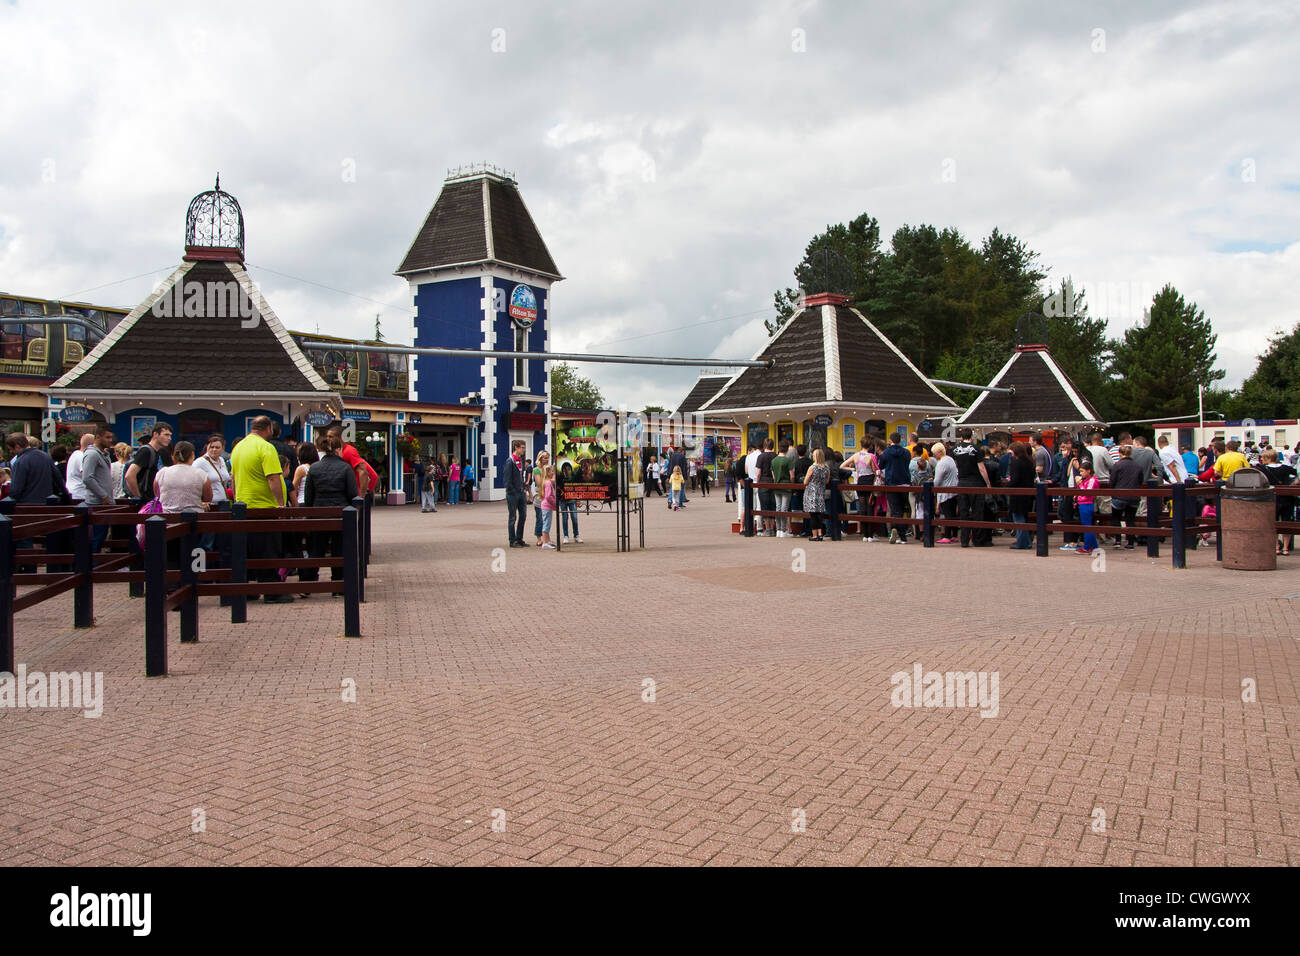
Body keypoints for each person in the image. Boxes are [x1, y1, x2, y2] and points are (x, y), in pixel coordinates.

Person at [231, 416, 293, 603]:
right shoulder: (266, 447)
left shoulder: (238, 447)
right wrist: (281, 505)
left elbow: (233, 478)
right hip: (264, 506)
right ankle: (271, 591)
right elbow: (273, 478)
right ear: (268, 428)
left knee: (248, 550)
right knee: (268, 551)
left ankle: (248, 589)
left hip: (244, 506)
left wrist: (237, 500)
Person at [304, 432, 359, 591]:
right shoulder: (345, 468)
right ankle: (338, 584)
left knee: (316, 550)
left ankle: (308, 583)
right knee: (338, 550)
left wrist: (310, 514)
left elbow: (309, 496)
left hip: (319, 514)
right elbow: (352, 493)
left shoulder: (314, 468)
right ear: (338, 450)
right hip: (340, 515)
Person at [951, 429, 991, 548]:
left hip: (962, 483)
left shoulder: (954, 450)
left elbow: (956, 466)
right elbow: (981, 468)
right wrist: (988, 483)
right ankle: (977, 540)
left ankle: (964, 540)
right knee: (977, 512)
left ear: (961, 437)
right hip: (976, 483)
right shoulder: (976, 449)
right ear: (971, 436)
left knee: (963, 512)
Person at [81, 426, 115, 553]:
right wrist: (103, 495)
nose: (110, 440)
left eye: (111, 437)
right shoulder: (92, 454)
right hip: (97, 502)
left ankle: (95, 563)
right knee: (96, 537)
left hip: (103, 502)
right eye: (107, 437)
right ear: (98, 437)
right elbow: (87, 478)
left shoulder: (104, 454)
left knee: (101, 536)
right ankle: (93, 565)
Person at [1259, 448, 1297, 555]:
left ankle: (1276, 547)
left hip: (1271, 499)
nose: (1262, 459)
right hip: (1287, 498)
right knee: (1287, 523)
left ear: (1268, 458)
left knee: (1272, 523)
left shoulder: (1262, 469)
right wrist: (1292, 485)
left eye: (1263, 457)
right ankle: (1285, 548)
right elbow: (1297, 473)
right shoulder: (1285, 468)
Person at [125, 423, 173, 503]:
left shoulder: (157, 452)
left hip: (151, 499)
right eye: (166, 435)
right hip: (145, 500)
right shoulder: (146, 451)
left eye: (170, 435)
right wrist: (138, 496)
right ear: (155, 434)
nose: (169, 438)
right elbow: (129, 475)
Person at [879, 432, 912, 544]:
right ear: (900, 440)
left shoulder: (886, 453)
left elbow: (881, 466)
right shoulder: (907, 453)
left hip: (891, 483)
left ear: (890, 440)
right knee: (901, 509)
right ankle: (899, 533)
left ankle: (899, 533)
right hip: (904, 483)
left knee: (895, 510)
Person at [1006, 441, 1037, 550]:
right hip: (1027, 493)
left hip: (1017, 494)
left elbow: (1015, 480)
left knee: (1018, 519)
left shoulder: (1016, 462)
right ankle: (1026, 542)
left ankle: (1021, 543)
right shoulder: (1029, 462)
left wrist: (1007, 486)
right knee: (1023, 517)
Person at [801, 447, 830, 542]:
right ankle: (820, 534)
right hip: (821, 492)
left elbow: (805, 481)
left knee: (813, 514)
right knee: (819, 515)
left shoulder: (812, 467)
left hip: (811, 492)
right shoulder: (826, 468)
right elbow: (827, 481)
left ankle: (814, 535)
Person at [933, 442, 959, 543]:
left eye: (934, 453)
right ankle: (954, 535)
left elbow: (937, 480)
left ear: (939, 452)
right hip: (954, 490)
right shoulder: (950, 459)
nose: (934, 455)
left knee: (947, 515)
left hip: (945, 492)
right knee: (953, 515)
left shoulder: (941, 463)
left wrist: (932, 485)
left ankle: (947, 536)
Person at [505, 439, 528, 548]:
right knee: (513, 517)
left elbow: (521, 476)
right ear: (516, 448)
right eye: (522, 447)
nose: (524, 450)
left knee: (523, 515)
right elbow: (507, 479)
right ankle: (512, 540)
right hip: (513, 493)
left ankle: (519, 538)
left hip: (521, 492)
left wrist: (524, 488)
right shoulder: (510, 461)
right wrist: (512, 491)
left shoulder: (520, 460)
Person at [1075, 457, 1100, 556]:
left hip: (1087, 503)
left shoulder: (1092, 480)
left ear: (1089, 471)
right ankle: (1094, 547)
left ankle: (1087, 547)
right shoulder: (1087, 480)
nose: (1081, 474)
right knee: (1087, 526)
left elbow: (1087, 492)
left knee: (1087, 526)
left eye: (1082, 471)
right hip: (1082, 504)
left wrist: (1080, 484)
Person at [770, 439, 793, 537]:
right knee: (784, 508)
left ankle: (778, 529)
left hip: (776, 486)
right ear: (787, 449)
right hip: (786, 486)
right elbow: (792, 475)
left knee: (778, 507)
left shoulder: (774, 460)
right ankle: (783, 530)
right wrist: (792, 484)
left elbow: (773, 475)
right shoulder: (788, 461)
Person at [65, 432, 94, 502]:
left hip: (73, 491)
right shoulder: (82, 456)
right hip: (80, 494)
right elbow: (86, 475)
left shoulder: (75, 454)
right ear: (91, 445)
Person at [559, 462, 582, 544]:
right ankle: (566, 536)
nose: (566, 471)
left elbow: (577, 489)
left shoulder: (573, 479)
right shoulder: (560, 479)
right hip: (563, 500)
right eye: (564, 470)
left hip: (572, 499)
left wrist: (578, 499)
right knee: (564, 518)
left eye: (568, 469)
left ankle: (576, 535)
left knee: (574, 518)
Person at [531, 450, 550, 546]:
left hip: (548, 495)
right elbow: (539, 483)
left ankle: (546, 537)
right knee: (540, 517)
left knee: (547, 517)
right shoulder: (536, 470)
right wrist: (548, 479)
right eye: (545, 458)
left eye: (547, 458)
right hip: (539, 496)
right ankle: (539, 537)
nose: (547, 460)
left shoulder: (548, 468)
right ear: (540, 459)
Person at [539, 465, 557, 549]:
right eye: (551, 471)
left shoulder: (545, 481)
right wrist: (555, 504)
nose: (553, 473)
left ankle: (548, 540)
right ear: (548, 473)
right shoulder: (548, 483)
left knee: (547, 523)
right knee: (546, 524)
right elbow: (549, 496)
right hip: (547, 506)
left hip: (546, 506)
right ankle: (545, 542)